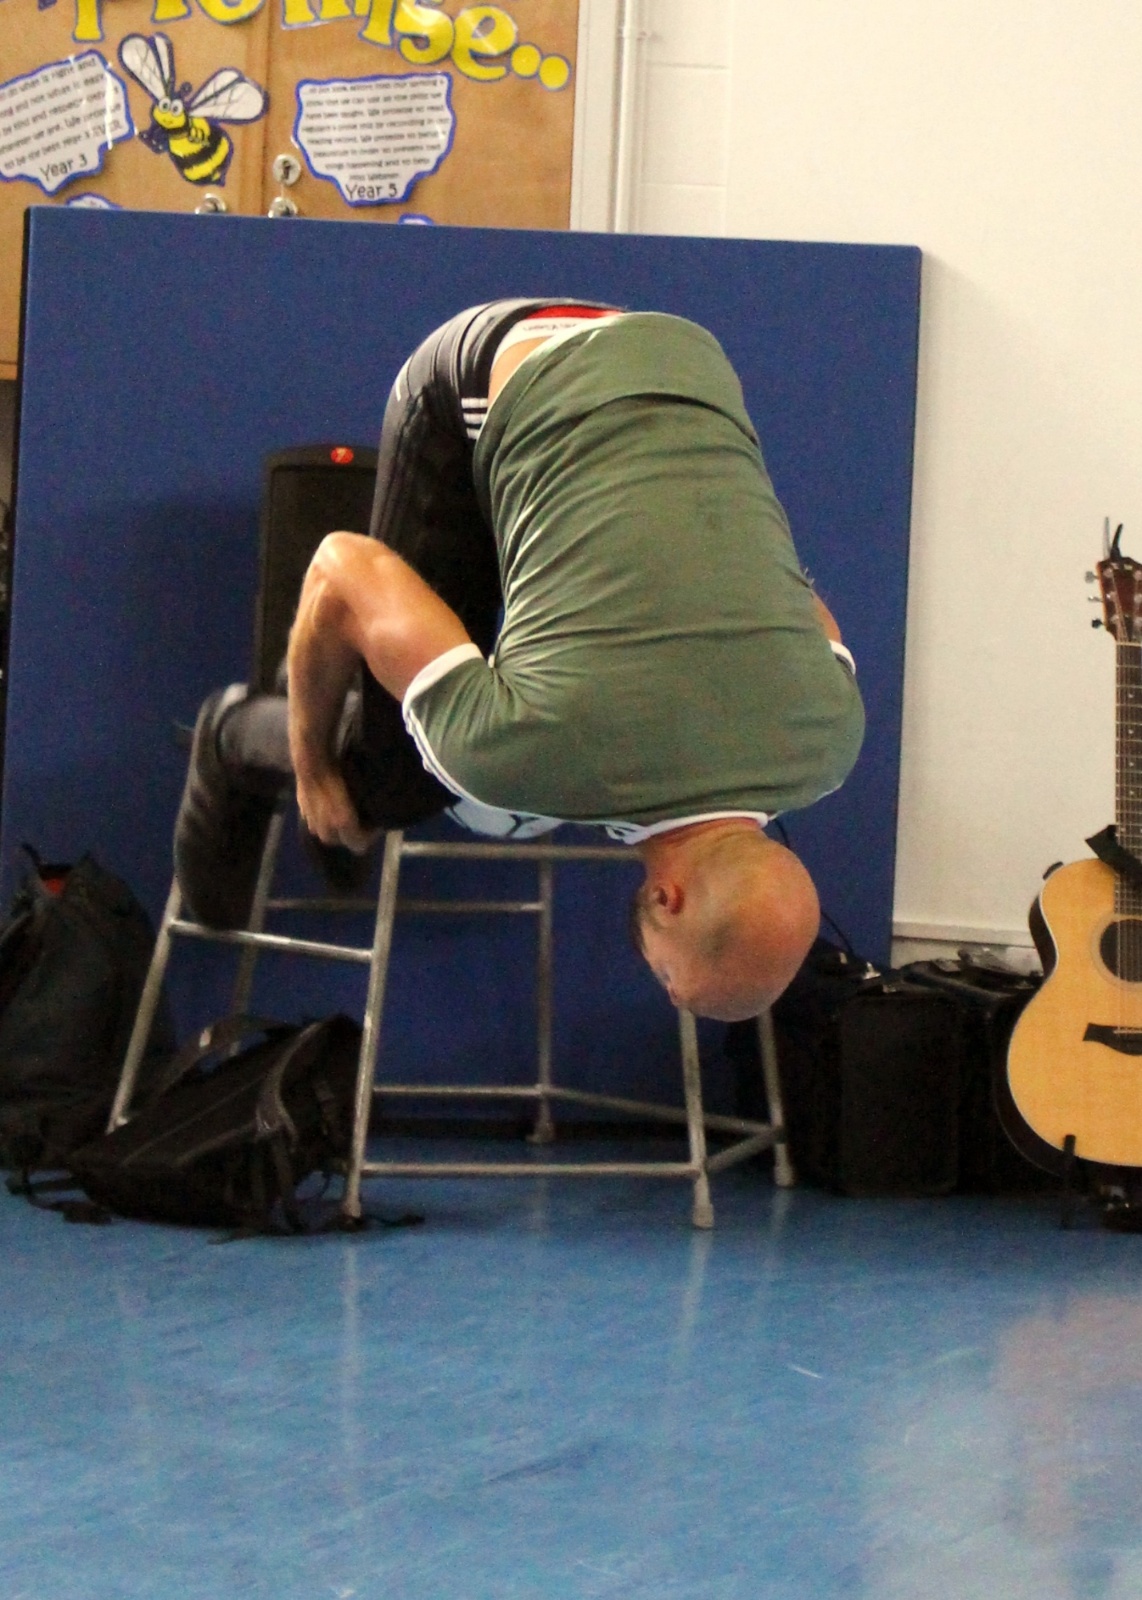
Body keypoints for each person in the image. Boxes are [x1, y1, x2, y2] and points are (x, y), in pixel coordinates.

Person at [175, 299, 865, 1021]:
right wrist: (314, 767)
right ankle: (230, 735)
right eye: (669, 979)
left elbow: (800, 607)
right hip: (489, 373)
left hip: (682, 360)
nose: (659, 979)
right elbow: (342, 567)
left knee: (447, 713)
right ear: (669, 899)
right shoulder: (522, 754)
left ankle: (350, 726)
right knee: (398, 782)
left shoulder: (831, 738)